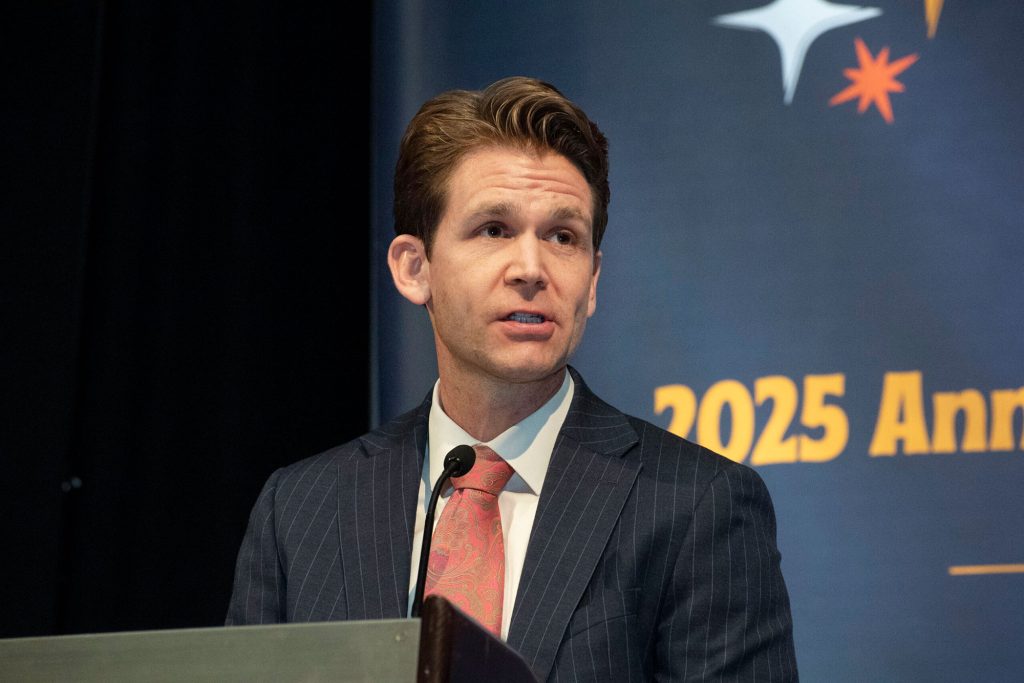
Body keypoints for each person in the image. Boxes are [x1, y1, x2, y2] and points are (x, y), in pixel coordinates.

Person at [226, 76, 798, 680]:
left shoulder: (696, 507)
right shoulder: (302, 509)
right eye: (494, 229)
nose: (531, 268)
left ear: (594, 280)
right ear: (414, 268)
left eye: (563, 237)